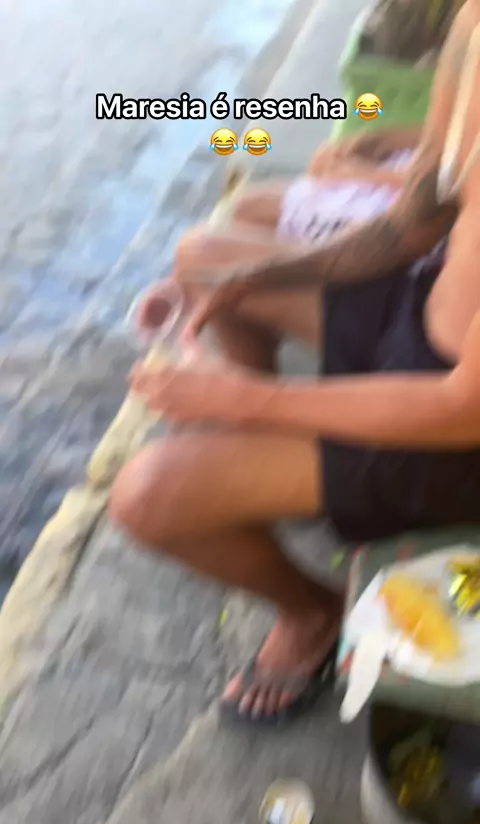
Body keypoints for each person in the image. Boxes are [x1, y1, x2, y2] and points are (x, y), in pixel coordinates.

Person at [110, 1, 480, 725]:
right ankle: (296, 473)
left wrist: (244, 399)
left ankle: (314, 613)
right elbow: (413, 223)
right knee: (210, 260)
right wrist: (257, 276)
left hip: (450, 432)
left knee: (144, 494)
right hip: (418, 315)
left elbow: (462, 409)